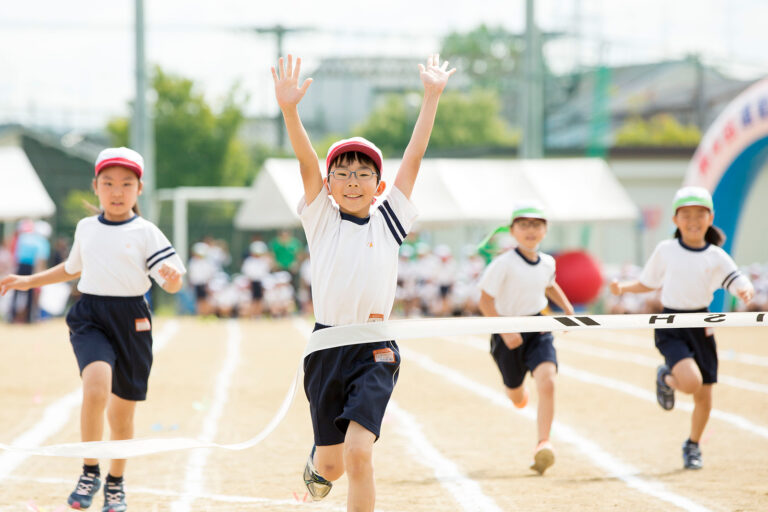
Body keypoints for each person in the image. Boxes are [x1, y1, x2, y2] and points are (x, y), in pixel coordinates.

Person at [272, 53, 454, 511]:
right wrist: (290, 110)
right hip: (326, 347)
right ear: (330, 184)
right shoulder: (320, 218)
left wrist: (431, 97)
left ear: (378, 185)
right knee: (332, 465)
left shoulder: (389, 219)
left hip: (375, 347)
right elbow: (305, 159)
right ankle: (318, 464)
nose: (352, 181)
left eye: (363, 174)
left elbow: (414, 156)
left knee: (359, 453)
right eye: (343, 173)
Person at [0, 147, 185, 511]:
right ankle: (89, 469)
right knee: (95, 384)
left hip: (133, 321)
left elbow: (173, 283)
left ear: (139, 189)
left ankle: (115, 482)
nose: (117, 191)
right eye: (109, 183)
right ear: (96, 187)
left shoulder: (147, 232)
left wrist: (174, 279)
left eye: (126, 184)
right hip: (91, 317)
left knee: (121, 416)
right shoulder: (87, 227)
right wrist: (26, 281)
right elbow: (72, 269)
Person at [610, 186, 754, 470]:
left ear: (710, 218)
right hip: (671, 324)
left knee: (705, 396)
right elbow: (648, 282)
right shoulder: (666, 250)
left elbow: (737, 280)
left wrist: (745, 291)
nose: (693, 220)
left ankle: (693, 445)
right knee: (691, 383)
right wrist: (623, 287)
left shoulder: (716, 255)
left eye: (699, 214)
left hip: (701, 325)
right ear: (675, 220)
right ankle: (667, 376)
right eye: (685, 214)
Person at [477, 201, 574, 475]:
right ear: (512, 230)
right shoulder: (503, 263)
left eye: (536, 225)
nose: (530, 230)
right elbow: (485, 301)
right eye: (524, 225)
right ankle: (519, 394)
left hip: (538, 328)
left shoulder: (547, 262)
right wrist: (505, 331)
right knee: (516, 396)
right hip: (507, 332)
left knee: (549, 382)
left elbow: (549, 283)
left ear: (545, 230)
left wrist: (567, 310)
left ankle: (543, 443)